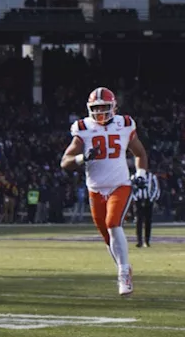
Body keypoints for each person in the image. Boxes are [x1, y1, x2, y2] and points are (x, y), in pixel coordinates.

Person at [60, 87, 148, 297]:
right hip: (95, 189)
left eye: (104, 107)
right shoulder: (83, 128)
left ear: (114, 107)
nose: (100, 112)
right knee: (108, 237)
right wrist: (83, 158)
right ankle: (123, 267)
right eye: (96, 108)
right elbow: (65, 162)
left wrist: (141, 174)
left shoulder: (124, 124)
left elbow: (140, 153)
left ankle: (124, 272)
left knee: (113, 223)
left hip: (120, 184)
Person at [133, 168, 160, 247]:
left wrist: (151, 199)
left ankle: (147, 241)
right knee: (138, 221)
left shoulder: (152, 176)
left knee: (148, 221)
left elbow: (156, 188)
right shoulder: (134, 176)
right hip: (138, 200)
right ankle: (139, 241)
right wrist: (135, 198)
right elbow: (131, 188)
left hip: (148, 200)